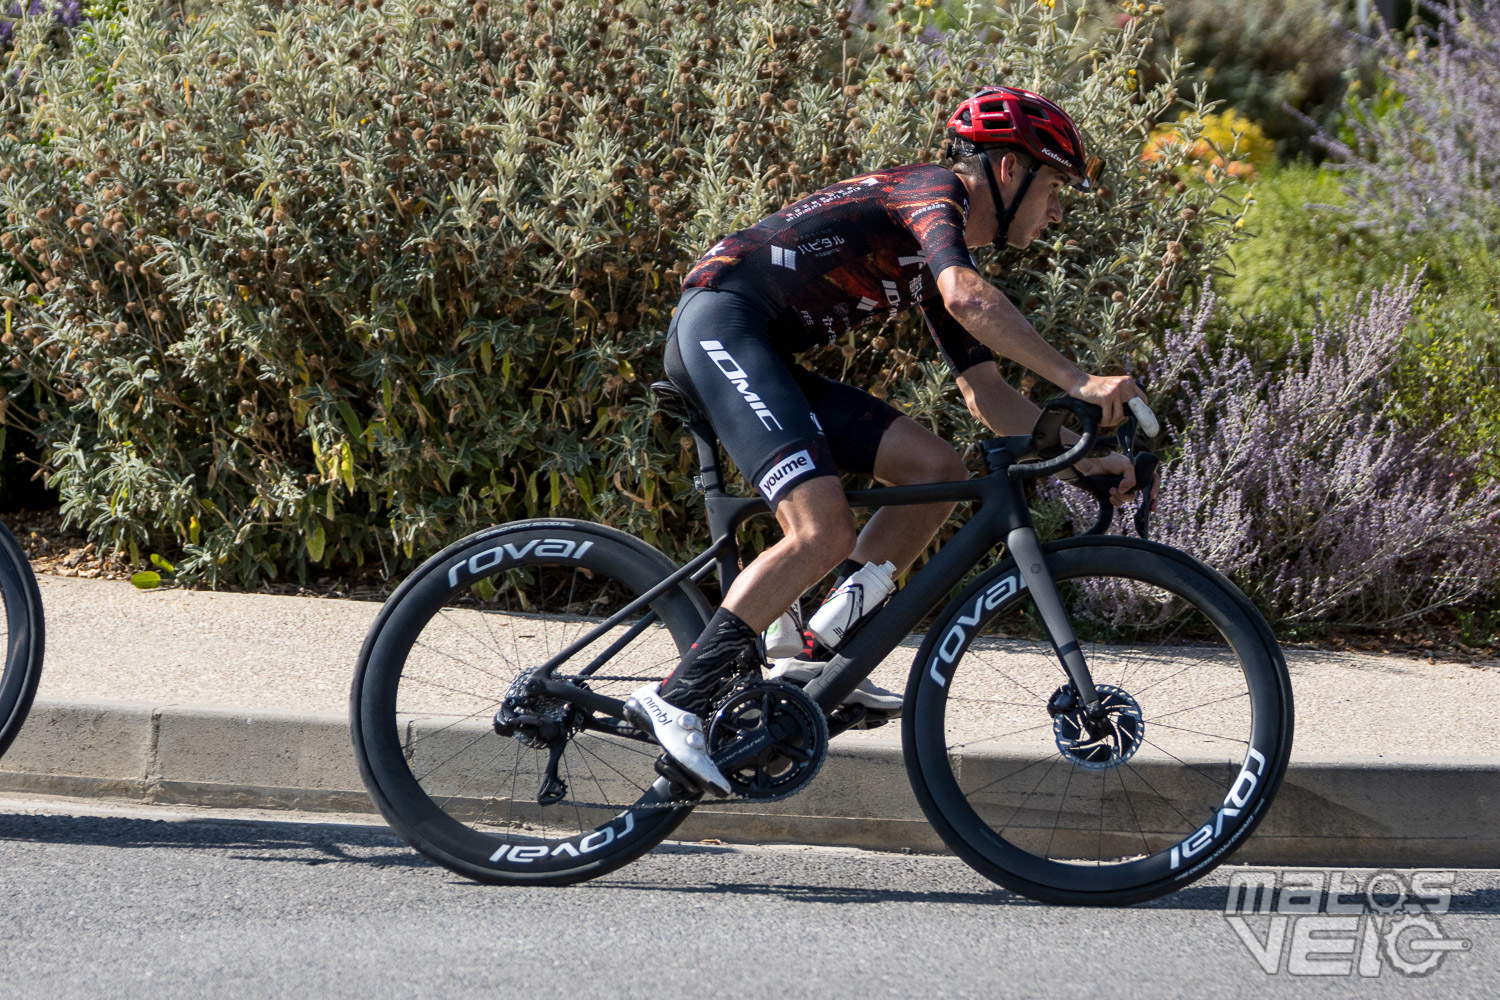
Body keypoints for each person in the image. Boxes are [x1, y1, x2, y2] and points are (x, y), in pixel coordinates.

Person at [624, 87, 1150, 796]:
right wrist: (1079, 380)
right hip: (721, 326)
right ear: (1006, 168)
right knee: (821, 530)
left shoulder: (940, 253)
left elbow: (986, 395)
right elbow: (968, 297)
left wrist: (1082, 459)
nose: (1057, 210)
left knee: (934, 468)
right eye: (1053, 185)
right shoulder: (934, 192)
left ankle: (810, 656)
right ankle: (678, 696)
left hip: (762, 350)